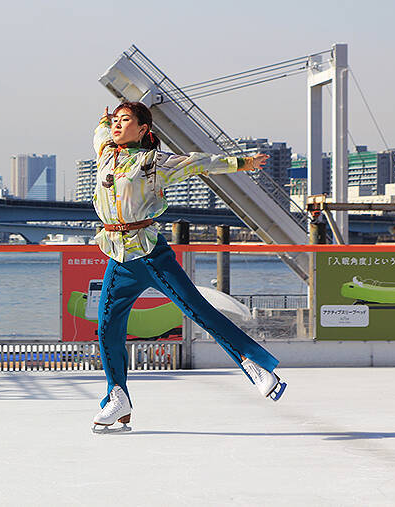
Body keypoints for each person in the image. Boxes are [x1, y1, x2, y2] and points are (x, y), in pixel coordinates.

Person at [90, 101, 286, 433]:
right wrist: (105, 116)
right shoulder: (105, 151)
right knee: (107, 326)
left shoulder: (153, 163)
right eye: (116, 121)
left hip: (150, 252)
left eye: (126, 121)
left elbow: (199, 163)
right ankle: (117, 395)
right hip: (119, 256)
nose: (117, 125)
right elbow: (100, 129)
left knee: (196, 309)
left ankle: (253, 363)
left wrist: (242, 163)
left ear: (143, 130)